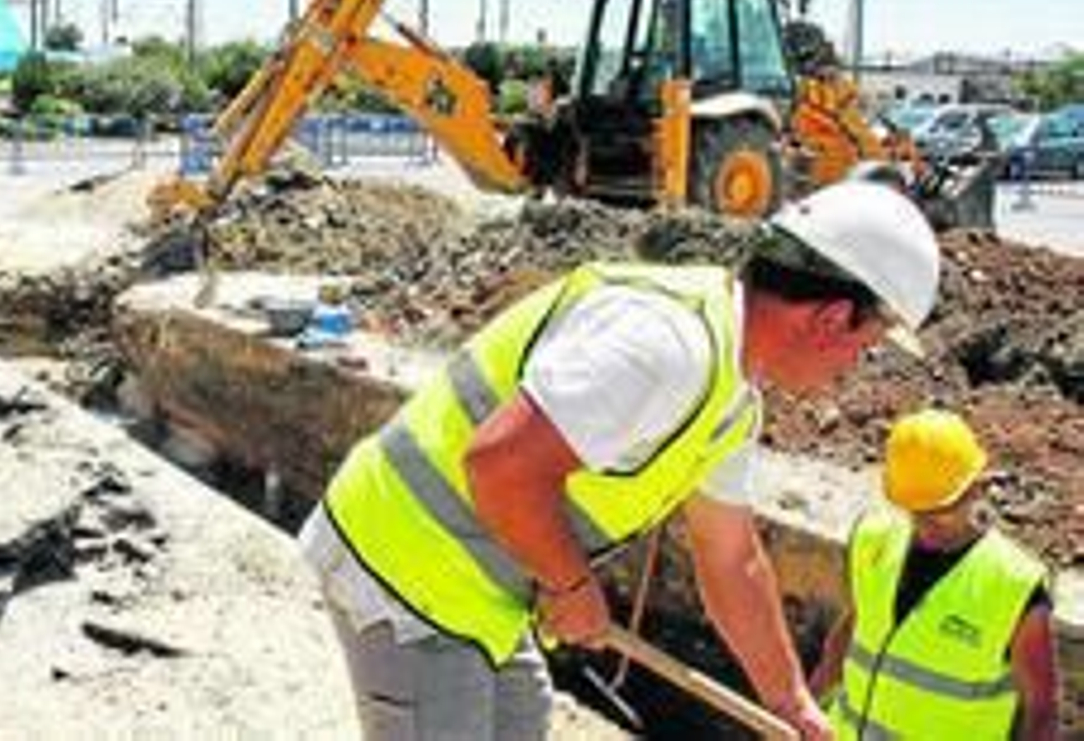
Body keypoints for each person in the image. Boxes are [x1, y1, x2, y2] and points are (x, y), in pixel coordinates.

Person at [298, 179, 943, 740]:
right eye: (870, 343)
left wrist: (790, 701)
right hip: (403, 568)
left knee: (522, 714)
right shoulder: (664, 347)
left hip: (476, 591)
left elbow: (732, 561)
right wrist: (571, 585)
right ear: (832, 317)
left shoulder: (732, 393)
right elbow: (500, 464)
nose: (857, 367)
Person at [811, 410, 1059, 740]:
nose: (927, 526)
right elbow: (850, 633)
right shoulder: (873, 541)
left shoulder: (1013, 586)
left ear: (978, 487)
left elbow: (1041, 710)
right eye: (917, 511)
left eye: (941, 510)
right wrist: (806, 709)